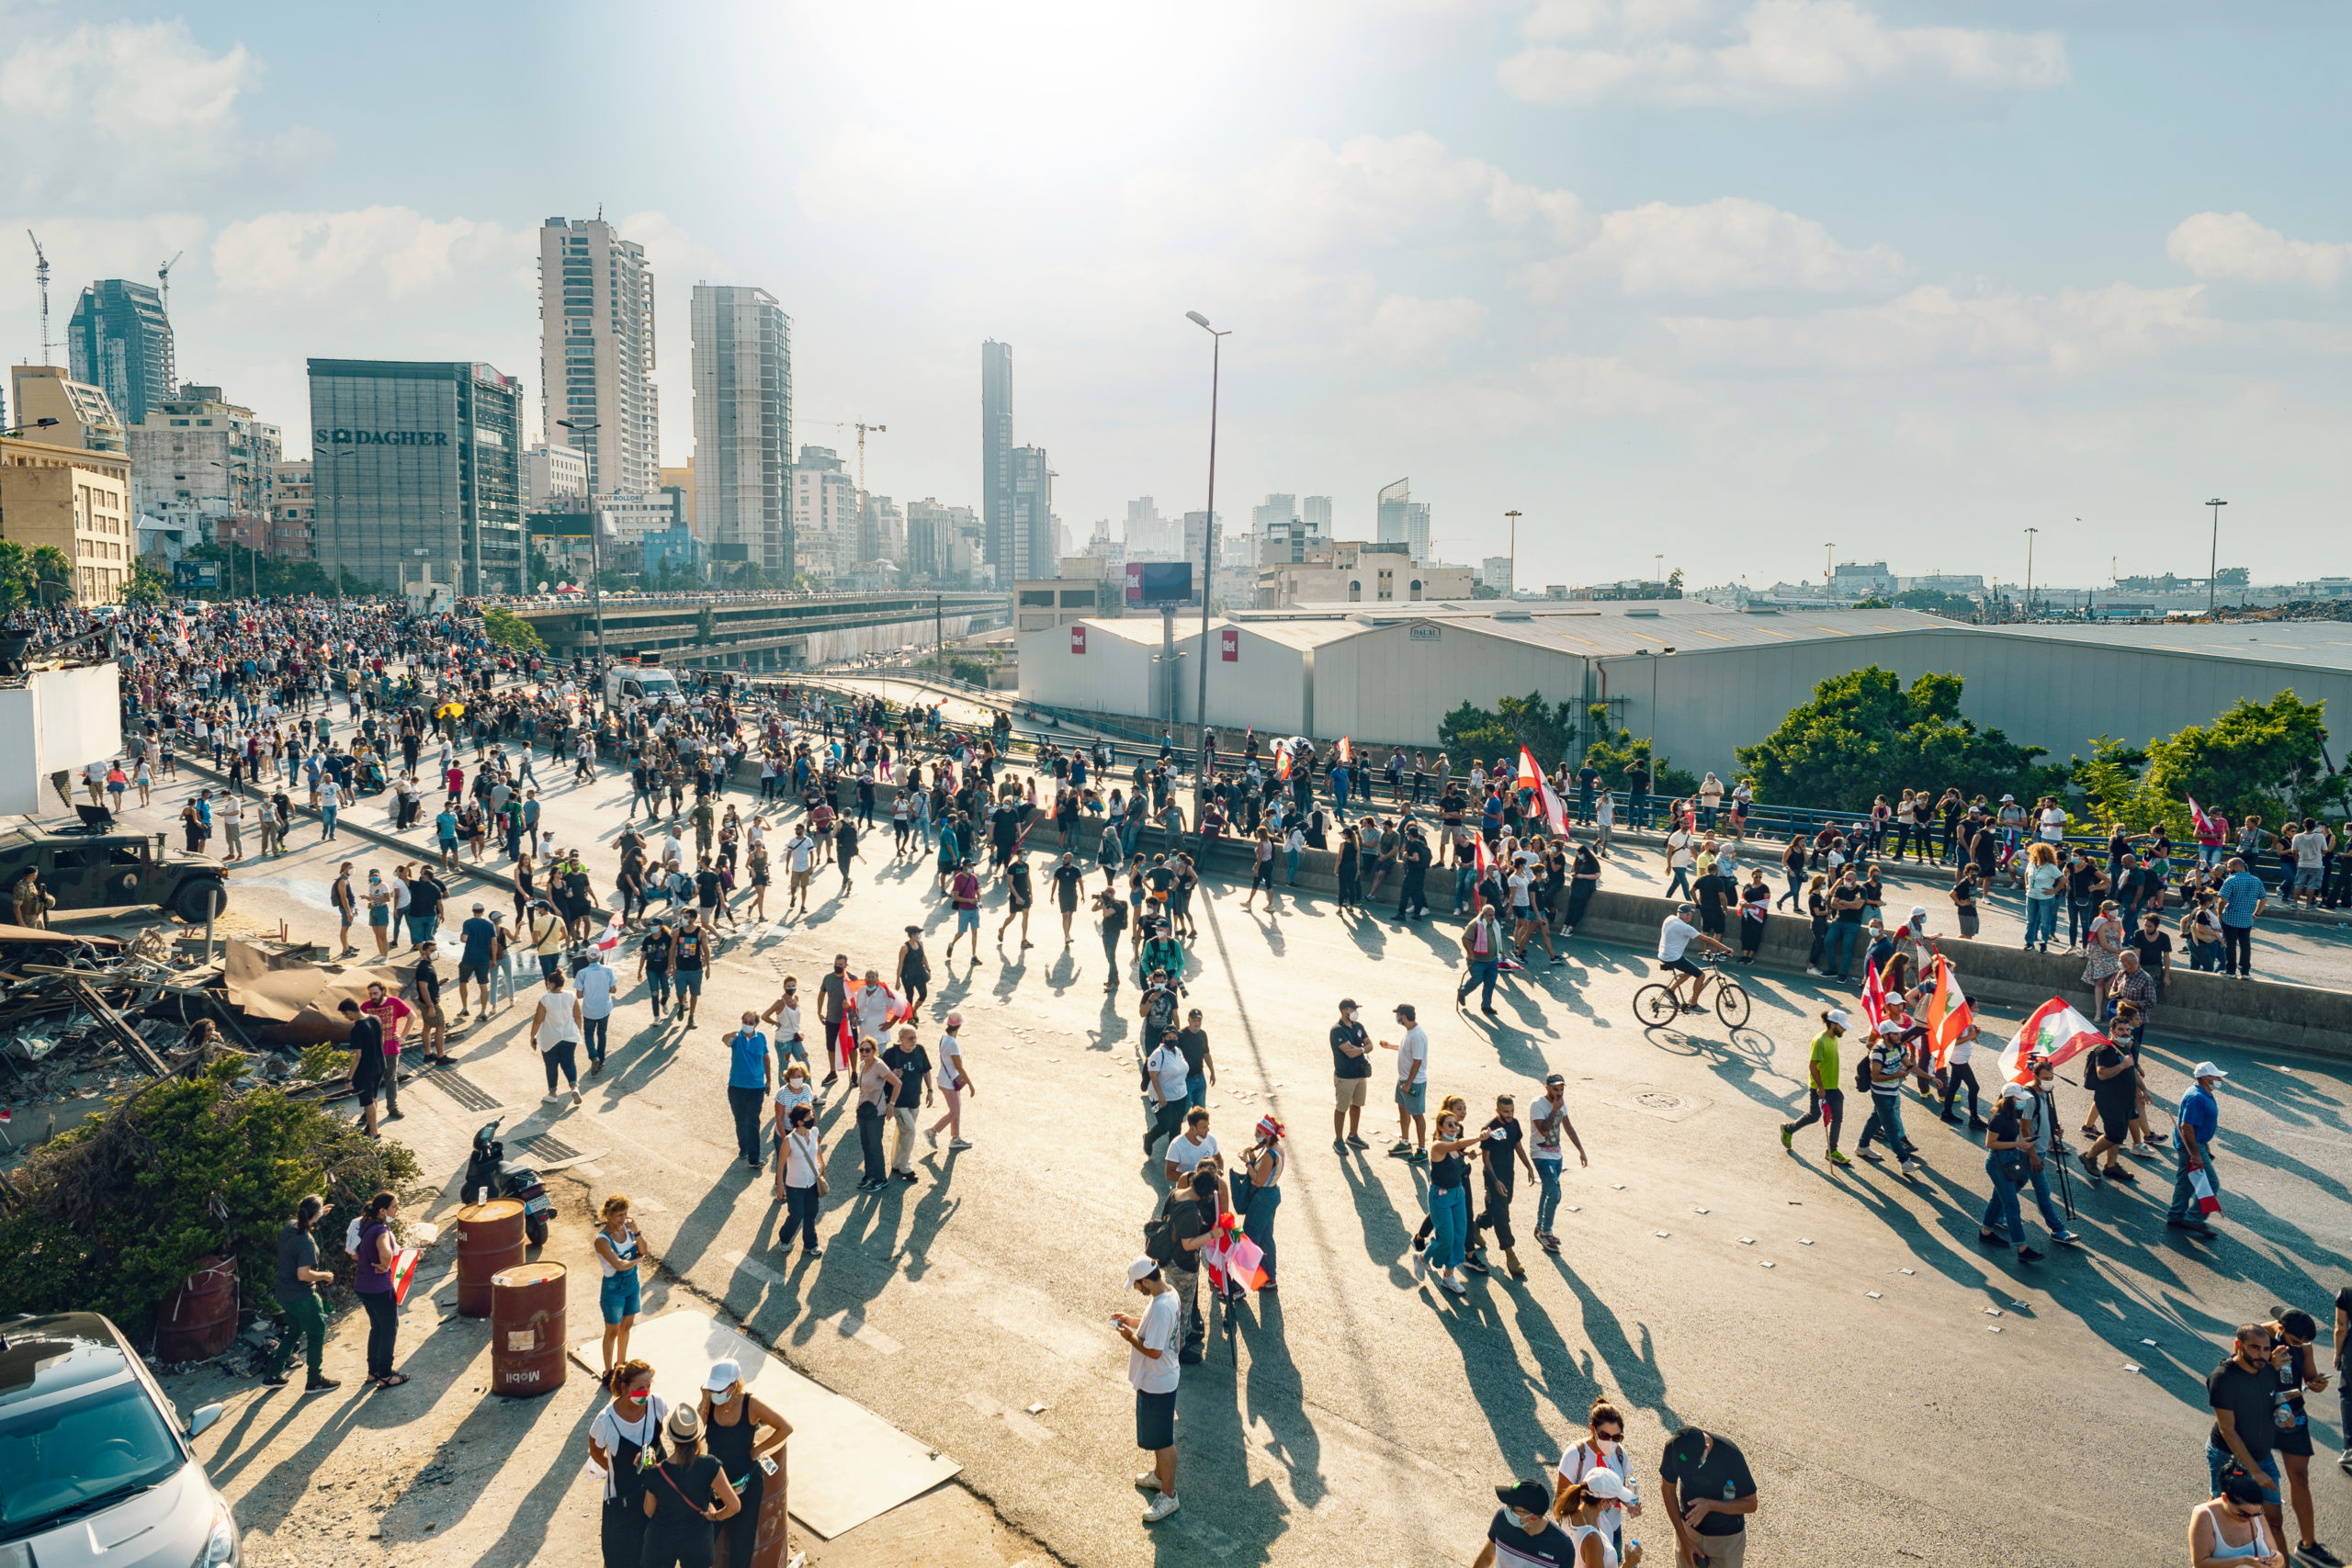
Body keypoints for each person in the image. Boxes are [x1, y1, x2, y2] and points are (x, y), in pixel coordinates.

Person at [698, 1359, 790, 1568]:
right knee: (703, 1542)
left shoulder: (751, 1405)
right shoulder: (710, 1404)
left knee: (742, 1546)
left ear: (734, 1386)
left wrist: (759, 1449)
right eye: (712, 1388)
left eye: (719, 1389)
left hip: (746, 1485)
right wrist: (704, 1401)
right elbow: (694, 1432)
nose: (715, 1393)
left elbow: (785, 1427)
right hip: (715, 1485)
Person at [2263, 1307, 2336, 1566]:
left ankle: (2308, 1545)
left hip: (2292, 1414)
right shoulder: (2257, 1337)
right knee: (2248, 1477)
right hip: (2259, 1416)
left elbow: (2310, 1376)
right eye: (2296, 1342)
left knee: (2300, 1477)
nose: (2301, 1347)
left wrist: (2317, 1383)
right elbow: (2236, 1377)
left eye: (2305, 1343)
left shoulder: (2303, 1344)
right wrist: (2269, 1366)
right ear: (2281, 1329)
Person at [1117, 1256, 1184, 1524]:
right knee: (1159, 1438)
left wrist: (1129, 1337)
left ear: (1146, 1280)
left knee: (1164, 1441)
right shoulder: (1168, 1294)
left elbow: (1154, 1351)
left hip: (1158, 1382)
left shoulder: (1160, 1309)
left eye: (1136, 1285)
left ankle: (1169, 1495)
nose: (1136, 1289)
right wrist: (1132, 1321)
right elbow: (1156, 1329)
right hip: (1163, 1379)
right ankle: (1159, 1477)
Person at [2209, 1322, 2287, 1540]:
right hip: (2229, 1456)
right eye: (2255, 1347)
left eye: (2266, 1349)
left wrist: (2283, 1415)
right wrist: (2255, 1471)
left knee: (2274, 1520)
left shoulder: (2267, 1370)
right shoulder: (2223, 1378)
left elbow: (2269, 1404)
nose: (2262, 1355)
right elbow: (2227, 1429)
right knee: (2225, 1514)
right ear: (2238, 1345)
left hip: (2262, 1456)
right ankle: (2205, 1539)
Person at [639, 1404, 741, 1568]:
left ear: (671, 1437)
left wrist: (647, 1473)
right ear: (697, 1436)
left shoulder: (656, 1473)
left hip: (661, 1541)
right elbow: (734, 1506)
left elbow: (648, 1511)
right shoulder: (709, 1465)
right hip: (697, 1541)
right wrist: (714, 1516)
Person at [590, 1361, 666, 1568]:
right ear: (624, 1388)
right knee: (618, 1557)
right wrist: (618, 1469)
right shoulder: (605, 1422)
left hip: (653, 1495)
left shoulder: (657, 1405)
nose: (646, 1392)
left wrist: (651, 1459)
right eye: (639, 1388)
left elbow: (659, 1440)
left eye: (648, 1386)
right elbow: (596, 1453)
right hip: (621, 1501)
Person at [263, 1194, 340, 1393]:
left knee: (294, 1331)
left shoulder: (290, 1227)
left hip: (284, 1294)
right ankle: (314, 1380)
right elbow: (304, 1274)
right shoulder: (306, 1242)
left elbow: (305, 1219)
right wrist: (325, 1275)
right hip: (303, 1297)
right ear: (313, 1214)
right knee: (316, 1334)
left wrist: (319, 1213)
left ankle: (273, 1375)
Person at [1657, 1426, 1756, 1568]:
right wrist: (1683, 1539)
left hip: (1725, 1541)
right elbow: (1667, 1489)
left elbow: (1751, 1504)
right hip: (1689, 1533)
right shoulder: (1674, 1448)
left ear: (1707, 1448)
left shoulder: (1730, 1455)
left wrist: (1710, 1505)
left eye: (1694, 1467)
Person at [1555, 1398, 1643, 1560]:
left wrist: (1629, 1504)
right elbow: (1561, 1500)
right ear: (1592, 1429)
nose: (1610, 1441)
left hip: (1612, 1529)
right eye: (1604, 1435)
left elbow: (1616, 1488)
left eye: (1617, 1437)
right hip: (1583, 1532)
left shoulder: (1619, 1454)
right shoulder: (1575, 1455)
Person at [1471, 1093, 1536, 1280]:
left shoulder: (1514, 1124)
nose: (1510, 1114)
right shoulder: (1489, 1129)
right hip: (1494, 1178)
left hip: (1509, 1175)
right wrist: (1496, 1181)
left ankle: (1477, 1225)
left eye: (1512, 1111)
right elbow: (1486, 1159)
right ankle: (1510, 1255)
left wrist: (1528, 1167)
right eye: (1506, 1112)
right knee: (1502, 1215)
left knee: (1499, 1209)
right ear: (1497, 1111)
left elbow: (1518, 1146)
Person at [1419, 1107, 1481, 1298]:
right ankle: (1423, 1257)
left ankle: (1448, 1276)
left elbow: (1459, 1157)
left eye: (1455, 1124)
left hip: (1456, 1194)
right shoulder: (1438, 1146)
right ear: (1440, 1127)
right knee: (1446, 1237)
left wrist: (1468, 1155)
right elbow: (1456, 1145)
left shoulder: (1456, 1147)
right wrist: (1480, 1138)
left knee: (1459, 1235)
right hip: (1440, 1196)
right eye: (1450, 1124)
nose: (1454, 1127)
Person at [352, 1190, 409, 1389]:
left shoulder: (366, 1225)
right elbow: (385, 1251)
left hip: (363, 1286)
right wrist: (385, 1264)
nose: (397, 1209)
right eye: (395, 1206)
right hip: (379, 1289)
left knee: (377, 1327)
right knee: (389, 1329)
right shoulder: (382, 1231)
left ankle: (373, 1371)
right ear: (383, 1210)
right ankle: (386, 1375)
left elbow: (356, 1253)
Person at [1781, 1010, 1850, 1168]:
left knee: (1837, 1117)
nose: (1845, 1029)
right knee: (1814, 1116)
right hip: (1820, 1088)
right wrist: (1820, 1087)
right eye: (1842, 1026)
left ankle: (1832, 1151)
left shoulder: (1834, 1038)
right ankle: (1789, 1129)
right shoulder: (1819, 1041)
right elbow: (1812, 1066)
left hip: (1833, 1087)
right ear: (1833, 1025)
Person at [2169, 1061, 2230, 1242]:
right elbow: (2187, 1126)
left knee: (2185, 1181)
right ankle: (2193, 1218)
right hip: (2191, 1146)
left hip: (2198, 1143)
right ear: (2205, 1078)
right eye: (2216, 1076)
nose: (2220, 1080)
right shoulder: (2197, 1098)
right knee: (2211, 1183)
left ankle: (2176, 1215)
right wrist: (2196, 1154)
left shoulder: (2203, 1092)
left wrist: (2204, 1145)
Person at [1529, 1074, 1588, 1255]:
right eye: (1555, 1089)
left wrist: (1581, 1150)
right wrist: (1554, 1109)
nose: (1559, 1093)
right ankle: (1546, 1232)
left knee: (1547, 1191)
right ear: (1547, 1088)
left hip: (1556, 1155)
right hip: (1540, 1154)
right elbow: (1543, 1129)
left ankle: (1540, 1228)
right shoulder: (1537, 1104)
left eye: (1562, 1089)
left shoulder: (1562, 1103)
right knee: (1555, 1193)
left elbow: (1568, 1127)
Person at [2188, 1472, 2288, 1568]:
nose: (2250, 1519)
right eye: (2243, 1514)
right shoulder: (2205, 1516)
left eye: (2256, 1513)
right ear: (2225, 1498)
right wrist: (2243, 1561)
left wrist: (2279, 1559)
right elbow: (2200, 1563)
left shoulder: (2253, 1513)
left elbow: (2274, 1553)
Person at [594, 1194, 646, 1379]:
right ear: (607, 1215)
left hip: (632, 1285)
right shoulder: (602, 1240)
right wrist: (638, 1260)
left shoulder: (629, 1229)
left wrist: (637, 1231)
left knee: (627, 1326)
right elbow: (618, 1265)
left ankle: (621, 1365)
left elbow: (644, 1249)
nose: (622, 1219)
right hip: (613, 1290)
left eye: (625, 1214)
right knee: (612, 1330)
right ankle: (608, 1372)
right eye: (618, 1215)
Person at [1476, 1478, 1580, 1568]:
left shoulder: (1562, 1547)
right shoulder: (1502, 1518)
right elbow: (1487, 1557)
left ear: (1532, 1518)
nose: (1507, 1509)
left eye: (1512, 1508)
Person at [1238, 1114, 1285, 1292]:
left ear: (1268, 1134)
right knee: (1266, 1237)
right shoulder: (1276, 1148)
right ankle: (1269, 1277)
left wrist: (1247, 1163)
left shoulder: (1270, 1154)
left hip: (1262, 1197)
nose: (1255, 1134)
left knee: (1249, 1240)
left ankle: (1238, 1285)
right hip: (1271, 1194)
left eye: (1259, 1132)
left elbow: (1258, 1180)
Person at [1657, 904, 1730, 1014]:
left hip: (1664, 954)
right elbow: (1707, 939)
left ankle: (1670, 991)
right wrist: (1726, 948)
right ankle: (1693, 1005)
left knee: (1690, 970)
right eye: (1690, 914)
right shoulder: (1685, 928)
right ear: (1687, 915)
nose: (1691, 916)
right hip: (1672, 957)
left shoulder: (1670, 918)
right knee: (1701, 975)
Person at [883, 1023, 932, 1183]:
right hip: (898, 1102)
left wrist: (930, 1090)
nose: (914, 1041)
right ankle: (905, 1166)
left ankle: (896, 1163)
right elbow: (880, 1073)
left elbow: (926, 1070)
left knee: (903, 1132)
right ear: (901, 1039)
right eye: (910, 1038)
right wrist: (892, 1073)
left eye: (915, 1037)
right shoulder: (891, 1054)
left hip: (914, 1100)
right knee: (910, 1131)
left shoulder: (920, 1050)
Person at [1382, 1002, 1430, 1160]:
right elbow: (1406, 1051)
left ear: (1403, 1017)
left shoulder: (1417, 1035)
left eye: (1398, 1015)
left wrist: (1409, 1083)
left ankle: (1422, 1150)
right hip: (1402, 1080)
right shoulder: (1409, 1032)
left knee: (1417, 1115)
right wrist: (1390, 1046)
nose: (1397, 1018)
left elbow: (1417, 1061)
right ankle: (1405, 1142)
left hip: (1413, 1082)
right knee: (1402, 1110)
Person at [853, 1038, 901, 1192]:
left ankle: (881, 1179)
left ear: (874, 1051)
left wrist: (891, 1105)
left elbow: (897, 1083)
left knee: (875, 1146)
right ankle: (869, 1175)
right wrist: (857, 1110)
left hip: (876, 1112)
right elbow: (862, 1090)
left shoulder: (879, 1066)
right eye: (862, 1050)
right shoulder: (862, 1065)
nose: (864, 1053)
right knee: (865, 1145)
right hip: (863, 1112)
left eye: (868, 1050)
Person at [724, 1012, 771, 1172]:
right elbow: (726, 1041)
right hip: (736, 1087)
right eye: (745, 1021)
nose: (748, 1023)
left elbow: (766, 1057)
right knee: (740, 1120)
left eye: (751, 1021)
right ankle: (743, 1147)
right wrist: (729, 1034)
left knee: (752, 1122)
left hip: (756, 1088)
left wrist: (769, 1079)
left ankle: (754, 1158)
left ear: (756, 1024)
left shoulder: (761, 1038)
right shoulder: (736, 1038)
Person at [778, 1101, 825, 1257]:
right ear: (799, 1122)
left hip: (811, 1182)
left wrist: (822, 1163)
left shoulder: (813, 1132)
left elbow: (817, 1149)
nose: (813, 1119)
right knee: (797, 1214)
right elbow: (781, 1163)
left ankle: (810, 1244)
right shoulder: (789, 1140)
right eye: (809, 1117)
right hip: (795, 1185)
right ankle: (785, 1238)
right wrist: (780, 1186)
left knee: (811, 1213)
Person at [533, 967, 584, 1108]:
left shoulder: (545, 999)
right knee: (569, 1062)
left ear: (552, 984)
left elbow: (538, 1020)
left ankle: (553, 1093)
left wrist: (533, 1036)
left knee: (551, 1065)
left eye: (548, 983)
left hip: (550, 1037)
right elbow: (578, 1016)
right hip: (569, 1035)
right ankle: (574, 1087)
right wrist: (577, 1031)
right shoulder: (571, 996)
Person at [926, 1010, 976, 1151]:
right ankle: (932, 1132)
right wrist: (971, 1085)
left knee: (956, 1110)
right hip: (949, 1082)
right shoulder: (952, 1043)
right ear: (959, 1026)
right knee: (954, 1112)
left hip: (945, 1079)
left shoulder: (944, 1037)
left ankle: (956, 1138)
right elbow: (959, 1067)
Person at [1330, 998, 1374, 1152]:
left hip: (1360, 1074)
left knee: (1357, 1106)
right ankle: (1338, 1140)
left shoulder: (1358, 1026)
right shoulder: (1337, 1030)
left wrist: (1361, 1050)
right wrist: (1362, 1048)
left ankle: (1353, 1135)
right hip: (1345, 1076)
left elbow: (1370, 1045)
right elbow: (1349, 1051)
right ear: (1344, 1011)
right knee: (1342, 1108)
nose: (1356, 1012)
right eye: (1353, 1009)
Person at [340, 998, 386, 1138]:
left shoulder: (357, 1029)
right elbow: (382, 1040)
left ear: (349, 1012)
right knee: (374, 1097)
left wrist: (349, 1078)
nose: (346, 1018)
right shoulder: (376, 1019)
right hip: (380, 1064)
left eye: (345, 1015)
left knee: (367, 1101)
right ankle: (370, 1127)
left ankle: (374, 1133)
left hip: (366, 1070)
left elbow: (357, 1056)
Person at [1143, 1030, 1193, 1158]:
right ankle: (1149, 1138)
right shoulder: (1158, 1054)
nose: (1172, 1039)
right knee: (1165, 1124)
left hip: (1180, 1096)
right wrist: (1161, 1096)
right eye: (1169, 1037)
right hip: (1161, 1098)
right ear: (1163, 1038)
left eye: (1174, 1037)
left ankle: (1173, 1154)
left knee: (1176, 1126)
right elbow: (1153, 1076)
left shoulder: (1178, 1052)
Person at [576, 946, 616, 1073]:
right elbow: (613, 990)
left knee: (589, 1034)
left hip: (589, 1009)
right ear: (600, 956)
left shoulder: (582, 973)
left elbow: (579, 995)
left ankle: (594, 1057)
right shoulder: (608, 970)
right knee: (602, 1034)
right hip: (604, 1007)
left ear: (587, 957)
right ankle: (601, 1061)